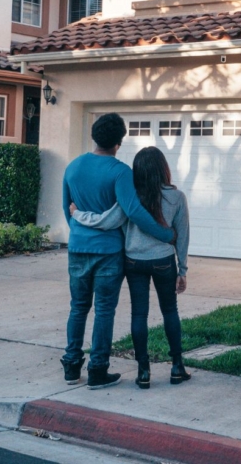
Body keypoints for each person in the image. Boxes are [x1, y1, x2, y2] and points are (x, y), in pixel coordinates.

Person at [61, 114, 175, 390]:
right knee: (103, 310)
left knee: (78, 307)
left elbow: (68, 210)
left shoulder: (73, 167)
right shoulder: (121, 172)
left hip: (78, 248)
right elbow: (134, 211)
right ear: (119, 142)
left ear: (94, 137)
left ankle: (71, 366)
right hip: (109, 251)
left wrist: (81, 234)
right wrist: (166, 234)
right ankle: (98, 370)